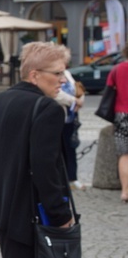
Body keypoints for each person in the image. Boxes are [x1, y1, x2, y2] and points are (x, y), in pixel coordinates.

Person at [0, 42, 75, 258]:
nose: (63, 80)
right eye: (58, 73)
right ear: (35, 74)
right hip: (30, 210)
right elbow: (45, 169)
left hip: (1, 204)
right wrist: (61, 215)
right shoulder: (48, 108)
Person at [54, 51, 85, 191]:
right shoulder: (53, 73)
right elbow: (56, 94)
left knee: (70, 148)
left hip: (71, 117)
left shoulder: (67, 74)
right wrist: (74, 101)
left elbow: (77, 89)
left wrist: (80, 100)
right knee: (58, 149)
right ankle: (61, 179)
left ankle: (72, 178)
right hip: (58, 116)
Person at [107, 44, 128, 202]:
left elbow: (109, 88)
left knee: (124, 155)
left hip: (121, 114)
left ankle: (125, 191)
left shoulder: (117, 69)